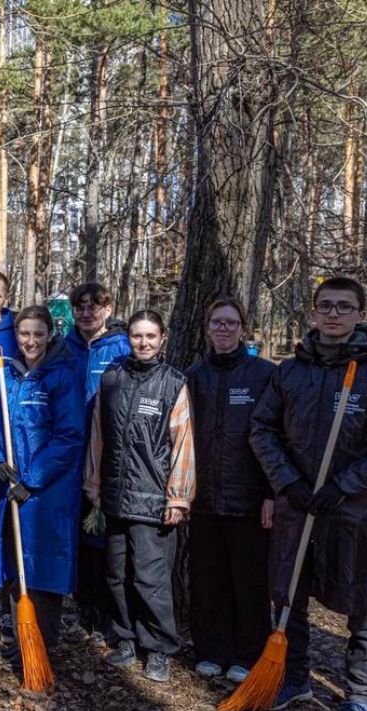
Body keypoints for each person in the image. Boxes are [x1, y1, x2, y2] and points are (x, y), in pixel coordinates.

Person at [251, 276, 367, 711]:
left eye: (344, 307)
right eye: (325, 306)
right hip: (297, 505)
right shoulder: (289, 372)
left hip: (353, 512)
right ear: (312, 313)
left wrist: (343, 485)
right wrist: (288, 481)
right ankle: (296, 678)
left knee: (363, 602)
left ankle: (360, 695)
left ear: (361, 315)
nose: (334, 314)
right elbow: (262, 430)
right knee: (289, 595)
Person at [84, 310, 193, 682]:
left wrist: (178, 497)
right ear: (127, 338)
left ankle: (158, 647)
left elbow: (183, 444)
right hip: (115, 495)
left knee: (150, 577)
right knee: (116, 574)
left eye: (150, 336)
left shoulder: (173, 383)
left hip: (153, 498)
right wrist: (94, 484)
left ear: (162, 339)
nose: (143, 343)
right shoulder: (112, 378)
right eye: (136, 336)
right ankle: (126, 638)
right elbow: (98, 435)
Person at [184, 298, 275, 683]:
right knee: (208, 578)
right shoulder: (194, 375)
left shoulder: (264, 375)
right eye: (217, 322)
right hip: (203, 497)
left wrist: (272, 492)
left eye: (231, 323)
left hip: (250, 500)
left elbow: (275, 436)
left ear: (243, 328)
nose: (224, 329)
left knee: (249, 580)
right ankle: (211, 649)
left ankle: (247, 651)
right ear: (207, 328)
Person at [0, 306, 84, 653]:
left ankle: (45, 641)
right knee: (14, 560)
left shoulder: (62, 375)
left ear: (48, 335)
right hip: (12, 485)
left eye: (37, 334)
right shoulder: (7, 375)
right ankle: (20, 634)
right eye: (24, 334)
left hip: (47, 491)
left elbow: (69, 435)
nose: (30, 341)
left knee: (44, 564)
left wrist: (34, 477)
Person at [65, 282, 132, 645]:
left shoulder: (121, 347)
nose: (88, 313)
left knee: (106, 539)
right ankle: (83, 610)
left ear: (108, 309)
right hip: (71, 451)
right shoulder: (65, 348)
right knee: (79, 536)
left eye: (95, 307)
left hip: (109, 452)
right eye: (81, 307)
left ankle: (109, 615)